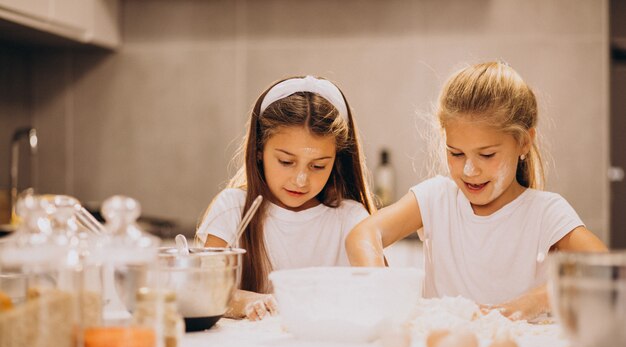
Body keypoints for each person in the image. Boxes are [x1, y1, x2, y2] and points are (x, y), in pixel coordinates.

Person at [346, 61, 607, 321]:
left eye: (487, 154)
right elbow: (363, 234)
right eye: (456, 154)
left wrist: (536, 300)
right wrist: (379, 289)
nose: (470, 170)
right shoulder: (436, 199)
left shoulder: (546, 212)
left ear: (524, 143)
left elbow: (606, 269)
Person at [197, 75, 376, 321]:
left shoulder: (351, 219)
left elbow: (381, 294)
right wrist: (247, 301)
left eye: (318, 166)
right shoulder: (232, 209)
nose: (300, 180)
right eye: (286, 162)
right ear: (259, 150)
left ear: (336, 160)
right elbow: (204, 290)